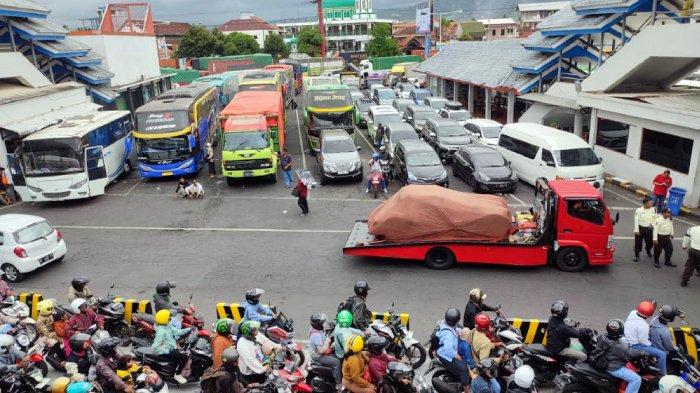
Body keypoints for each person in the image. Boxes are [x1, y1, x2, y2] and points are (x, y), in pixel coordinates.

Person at [599, 319, 644, 393]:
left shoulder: (602, 336)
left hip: (604, 359)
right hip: (613, 367)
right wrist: (642, 353)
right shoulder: (619, 347)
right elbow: (631, 353)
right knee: (636, 379)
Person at [624, 300, 666, 375]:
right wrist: (652, 345)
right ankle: (662, 374)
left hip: (626, 336)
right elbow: (644, 342)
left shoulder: (633, 312)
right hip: (635, 346)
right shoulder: (643, 325)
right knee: (662, 354)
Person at [151, 309, 193, 384]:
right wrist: (167, 351)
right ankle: (177, 374)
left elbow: (177, 331)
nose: (170, 318)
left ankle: (171, 370)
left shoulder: (167, 325)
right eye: (168, 317)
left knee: (180, 355)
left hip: (171, 347)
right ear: (164, 319)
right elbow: (155, 347)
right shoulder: (161, 331)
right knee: (184, 357)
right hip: (165, 351)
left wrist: (189, 329)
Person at [436, 308, 471, 393]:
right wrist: (457, 355)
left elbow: (456, 329)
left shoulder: (448, 323)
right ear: (457, 319)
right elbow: (448, 350)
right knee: (464, 369)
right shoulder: (448, 334)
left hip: (450, 348)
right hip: (446, 354)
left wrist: (461, 332)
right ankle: (467, 390)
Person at [308, 313, 342, 386]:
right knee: (337, 362)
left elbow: (325, 332)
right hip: (318, 357)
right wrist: (328, 340)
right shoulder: (316, 335)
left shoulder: (314, 329)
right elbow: (322, 351)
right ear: (319, 325)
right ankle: (339, 383)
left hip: (319, 350)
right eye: (324, 322)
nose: (325, 323)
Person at [236, 320, 268, 385]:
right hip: (251, 375)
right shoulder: (242, 344)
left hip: (260, 369)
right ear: (249, 332)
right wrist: (264, 368)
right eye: (255, 330)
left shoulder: (253, 337)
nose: (257, 331)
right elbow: (251, 360)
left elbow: (265, 343)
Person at [633, 197, 656, 262]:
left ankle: (648, 249)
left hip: (649, 229)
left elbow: (654, 218)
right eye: (650, 203)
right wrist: (636, 230)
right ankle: (636, 255)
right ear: (645, 203)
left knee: (650, 243)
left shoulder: (653, 209)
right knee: (638, 243)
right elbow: (636, 220)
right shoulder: (639, 210)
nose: (652, 204)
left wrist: (653, 225)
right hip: (640, 228)